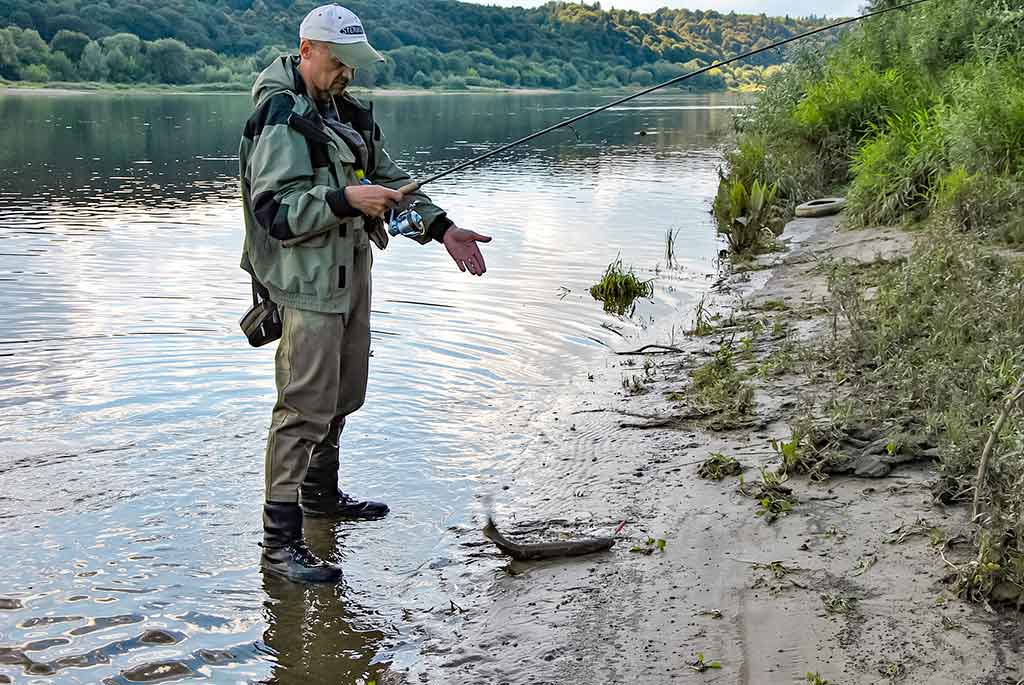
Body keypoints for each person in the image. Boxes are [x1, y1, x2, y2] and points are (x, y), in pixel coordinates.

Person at [239, 4, 491, 583]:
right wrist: (346, 200)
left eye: (353, 63)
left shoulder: (346, 111)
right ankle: (279, 546)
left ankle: (320, 498)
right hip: (305, 283)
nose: (347, 73)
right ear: (307, 51)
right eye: (338, 61)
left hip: (351, 272)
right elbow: (274, 212)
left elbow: (391, 179)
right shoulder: (278, 114)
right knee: (302, 408)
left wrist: (443, 228)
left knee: (344, 393)